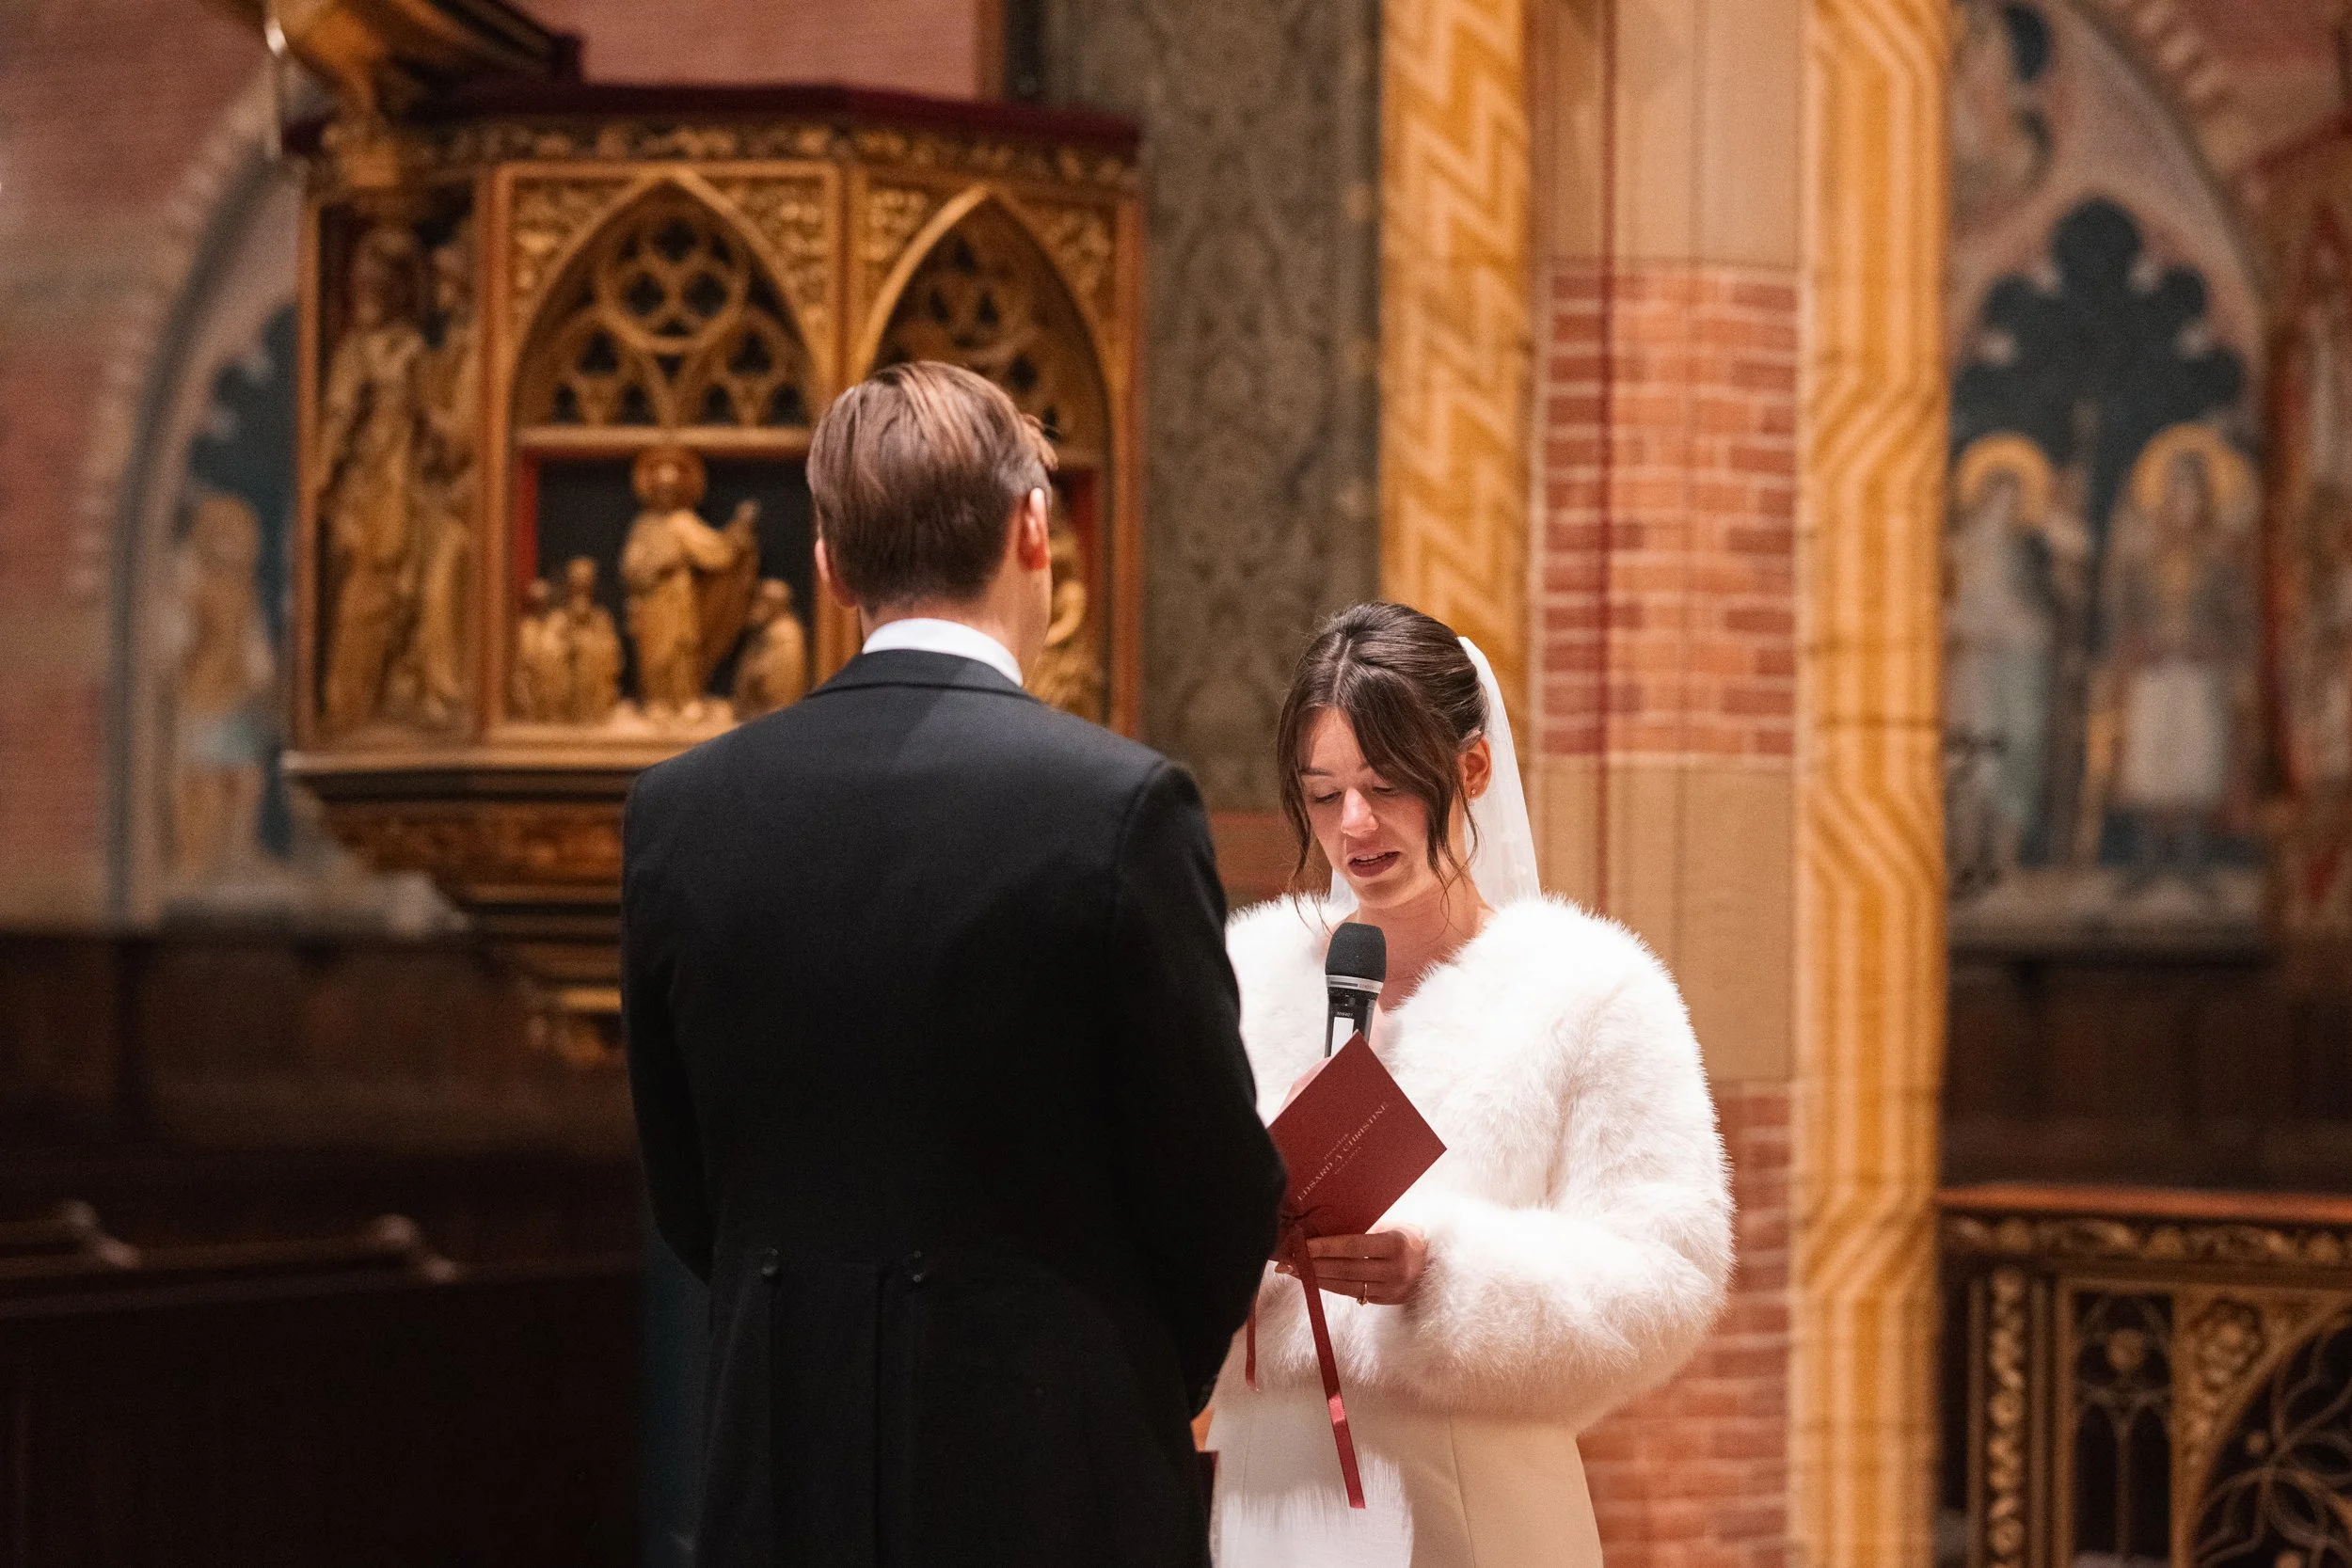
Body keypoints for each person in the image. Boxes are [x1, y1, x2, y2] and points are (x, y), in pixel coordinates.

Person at [622, 360, 1286, 1568]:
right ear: (1035, 528)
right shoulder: (1120, 807)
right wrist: (1115, 1367)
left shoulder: (681, 811)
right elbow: (1215, 1187)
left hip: (781, 1464)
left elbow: (687, 1189)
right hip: (1049, 1476)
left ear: (826, 562)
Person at [1211, 602, 1733, 1568]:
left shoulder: (1587, 989)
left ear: (1471, 769)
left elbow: (1672, 1270)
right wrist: (1213, 1260)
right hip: (1269, 1502)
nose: (1352, 824)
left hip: (1475, 1509)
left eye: (1383, 785)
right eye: (1322, 794)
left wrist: (1444, 1271)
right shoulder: (1240, 977)